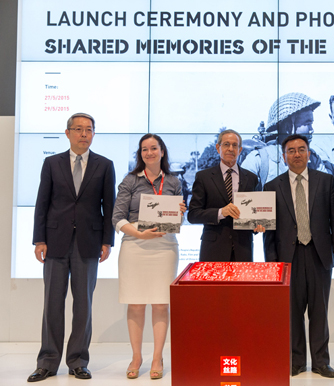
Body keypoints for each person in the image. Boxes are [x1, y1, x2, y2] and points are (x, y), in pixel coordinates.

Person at [28, 113, 115, 382]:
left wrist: (107, 240)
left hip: (89, 243)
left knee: (83, 305)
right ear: (67, 133)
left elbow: (109, 205)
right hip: (55, 241)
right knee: (52, 304)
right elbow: (42, 202)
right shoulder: (52, 163)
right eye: (78, 129)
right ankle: (48, 362)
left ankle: (78, 360)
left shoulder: (104, 165)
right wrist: (39, 239)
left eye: (89, 129)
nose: (84, 134)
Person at [264, 134, 334, 378]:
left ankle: (321, 361)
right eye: (291, 150)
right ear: (284, 156)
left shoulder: (326, 181)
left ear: (309, 153)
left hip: (319, 254)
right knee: (293, 311)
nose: (297, 154)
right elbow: (270, 228)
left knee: (319, 310)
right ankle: (295, 360)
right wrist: (271, 262)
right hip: (288, 257)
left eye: (301, 149)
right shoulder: (272, 186)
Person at [112, 134, 186, 380]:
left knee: (161, 303)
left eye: (154, 148)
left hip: (165, 246)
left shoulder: (174, 181)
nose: (149, 153)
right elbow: (117, 217)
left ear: (162, 151)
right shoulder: (130, 180)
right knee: (135, 303)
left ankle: (157, 357)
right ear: (140, 154)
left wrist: (179, 214)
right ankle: (136, 356)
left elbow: (177, 218)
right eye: (144, 149)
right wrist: (139, 234)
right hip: (135, 244)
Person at [188, 129, 263, 262]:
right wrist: (221, 212)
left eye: (235, 145)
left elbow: (254, 213)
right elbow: (193, 215)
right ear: (218, 148)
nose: (230, 149)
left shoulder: (251, 178)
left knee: (241, 283)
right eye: (226, 144)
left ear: (240, 150)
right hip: (213, 250)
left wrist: (257, 226)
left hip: (243, 250)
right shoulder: (203, 177)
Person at [242, 92, 327, 188]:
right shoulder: (259, 160)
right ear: (287, 127)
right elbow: (240, 199)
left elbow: (325, 195)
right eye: (307, 123)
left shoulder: (314, 160)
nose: (312, 129)